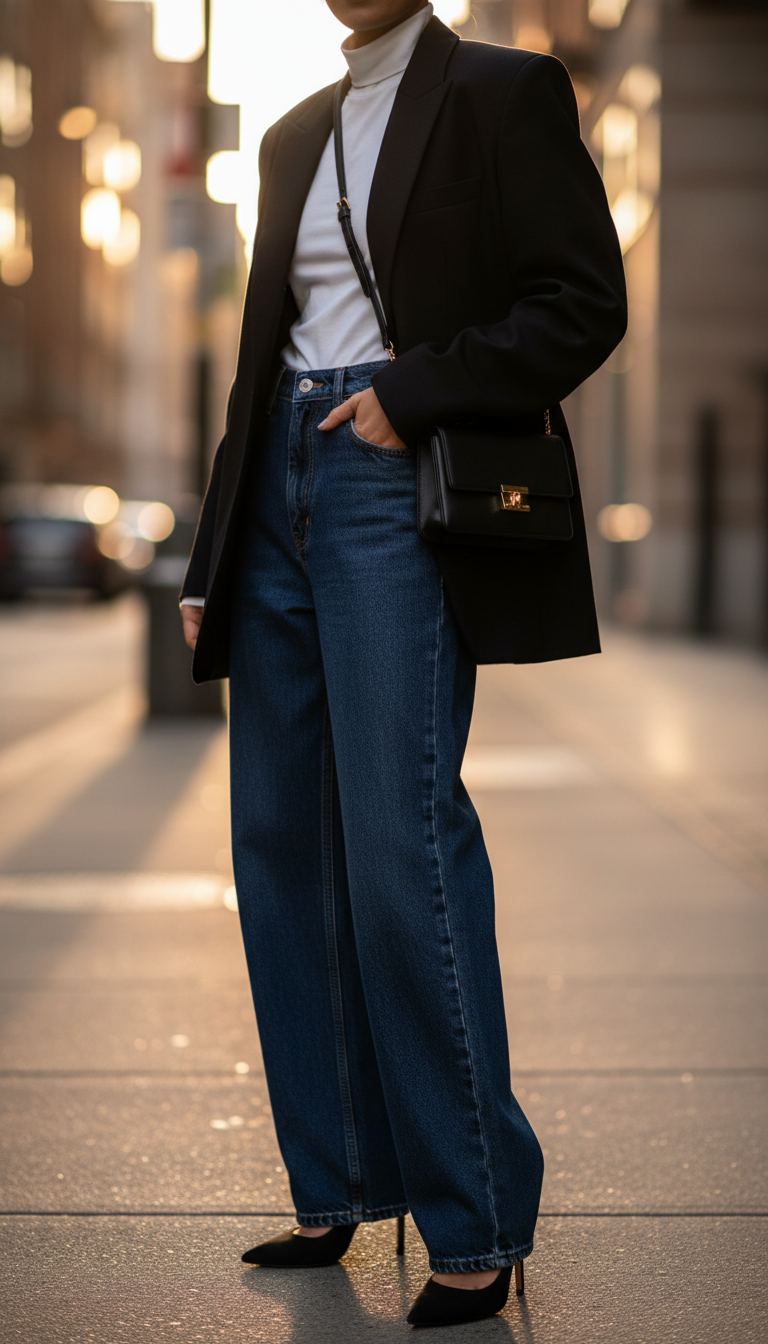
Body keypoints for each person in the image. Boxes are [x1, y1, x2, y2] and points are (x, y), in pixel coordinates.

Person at [180, 0, 626, 1327]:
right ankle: (338, 1183)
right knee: (279, 843)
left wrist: (415, 391)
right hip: (276, 488)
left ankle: (473, 1215)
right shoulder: (289, 133)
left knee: (400, 840)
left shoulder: (503, 89)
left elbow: (581, 303)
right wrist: (214, 553)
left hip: (391, 476)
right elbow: (259, 358)